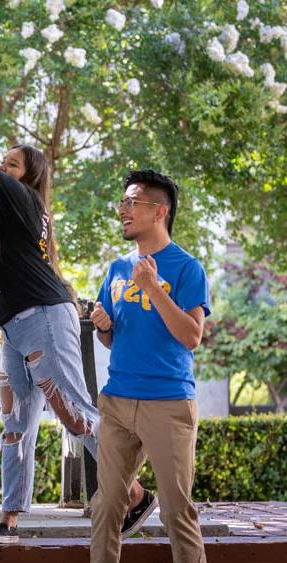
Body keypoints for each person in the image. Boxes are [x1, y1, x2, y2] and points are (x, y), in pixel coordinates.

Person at [0, 90, 147, 543]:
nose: (2, 169)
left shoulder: (21, 199)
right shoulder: (9, 222)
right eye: (4, 163)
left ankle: (133, 493)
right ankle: (11, 516)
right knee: (16, 424)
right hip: (16, 326)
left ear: (28, 176)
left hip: (45, 319)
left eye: (11, 164)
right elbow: (1, 287)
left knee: (75, 412)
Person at [89, 170, 209, 563]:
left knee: (177, 512)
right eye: (122, 203)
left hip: (168, 403)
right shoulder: (117, 269)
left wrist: (154, 288)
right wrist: (103, 328)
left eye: (131, 202)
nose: (122, 210)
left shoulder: (186, 267)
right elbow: (113, 337)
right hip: (118, 401)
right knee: (106, 506)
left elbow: (192, 336)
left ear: (160, 211)